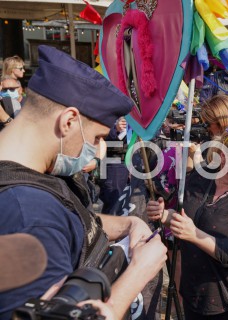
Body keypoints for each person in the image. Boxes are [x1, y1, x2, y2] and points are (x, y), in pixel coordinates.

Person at [0, 45, 168, 319]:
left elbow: (73, 221)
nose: (100, 151)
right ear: (68, 121)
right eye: (98, 138)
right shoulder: (31, 215)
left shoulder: (36, 177)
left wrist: (129, 223)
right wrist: (139, 273)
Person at [147, 123, 228, 319]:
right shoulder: (200, 178)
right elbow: (187, 217)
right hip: (194, 292)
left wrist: (195, 235)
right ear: (223, 157)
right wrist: (166, 215)